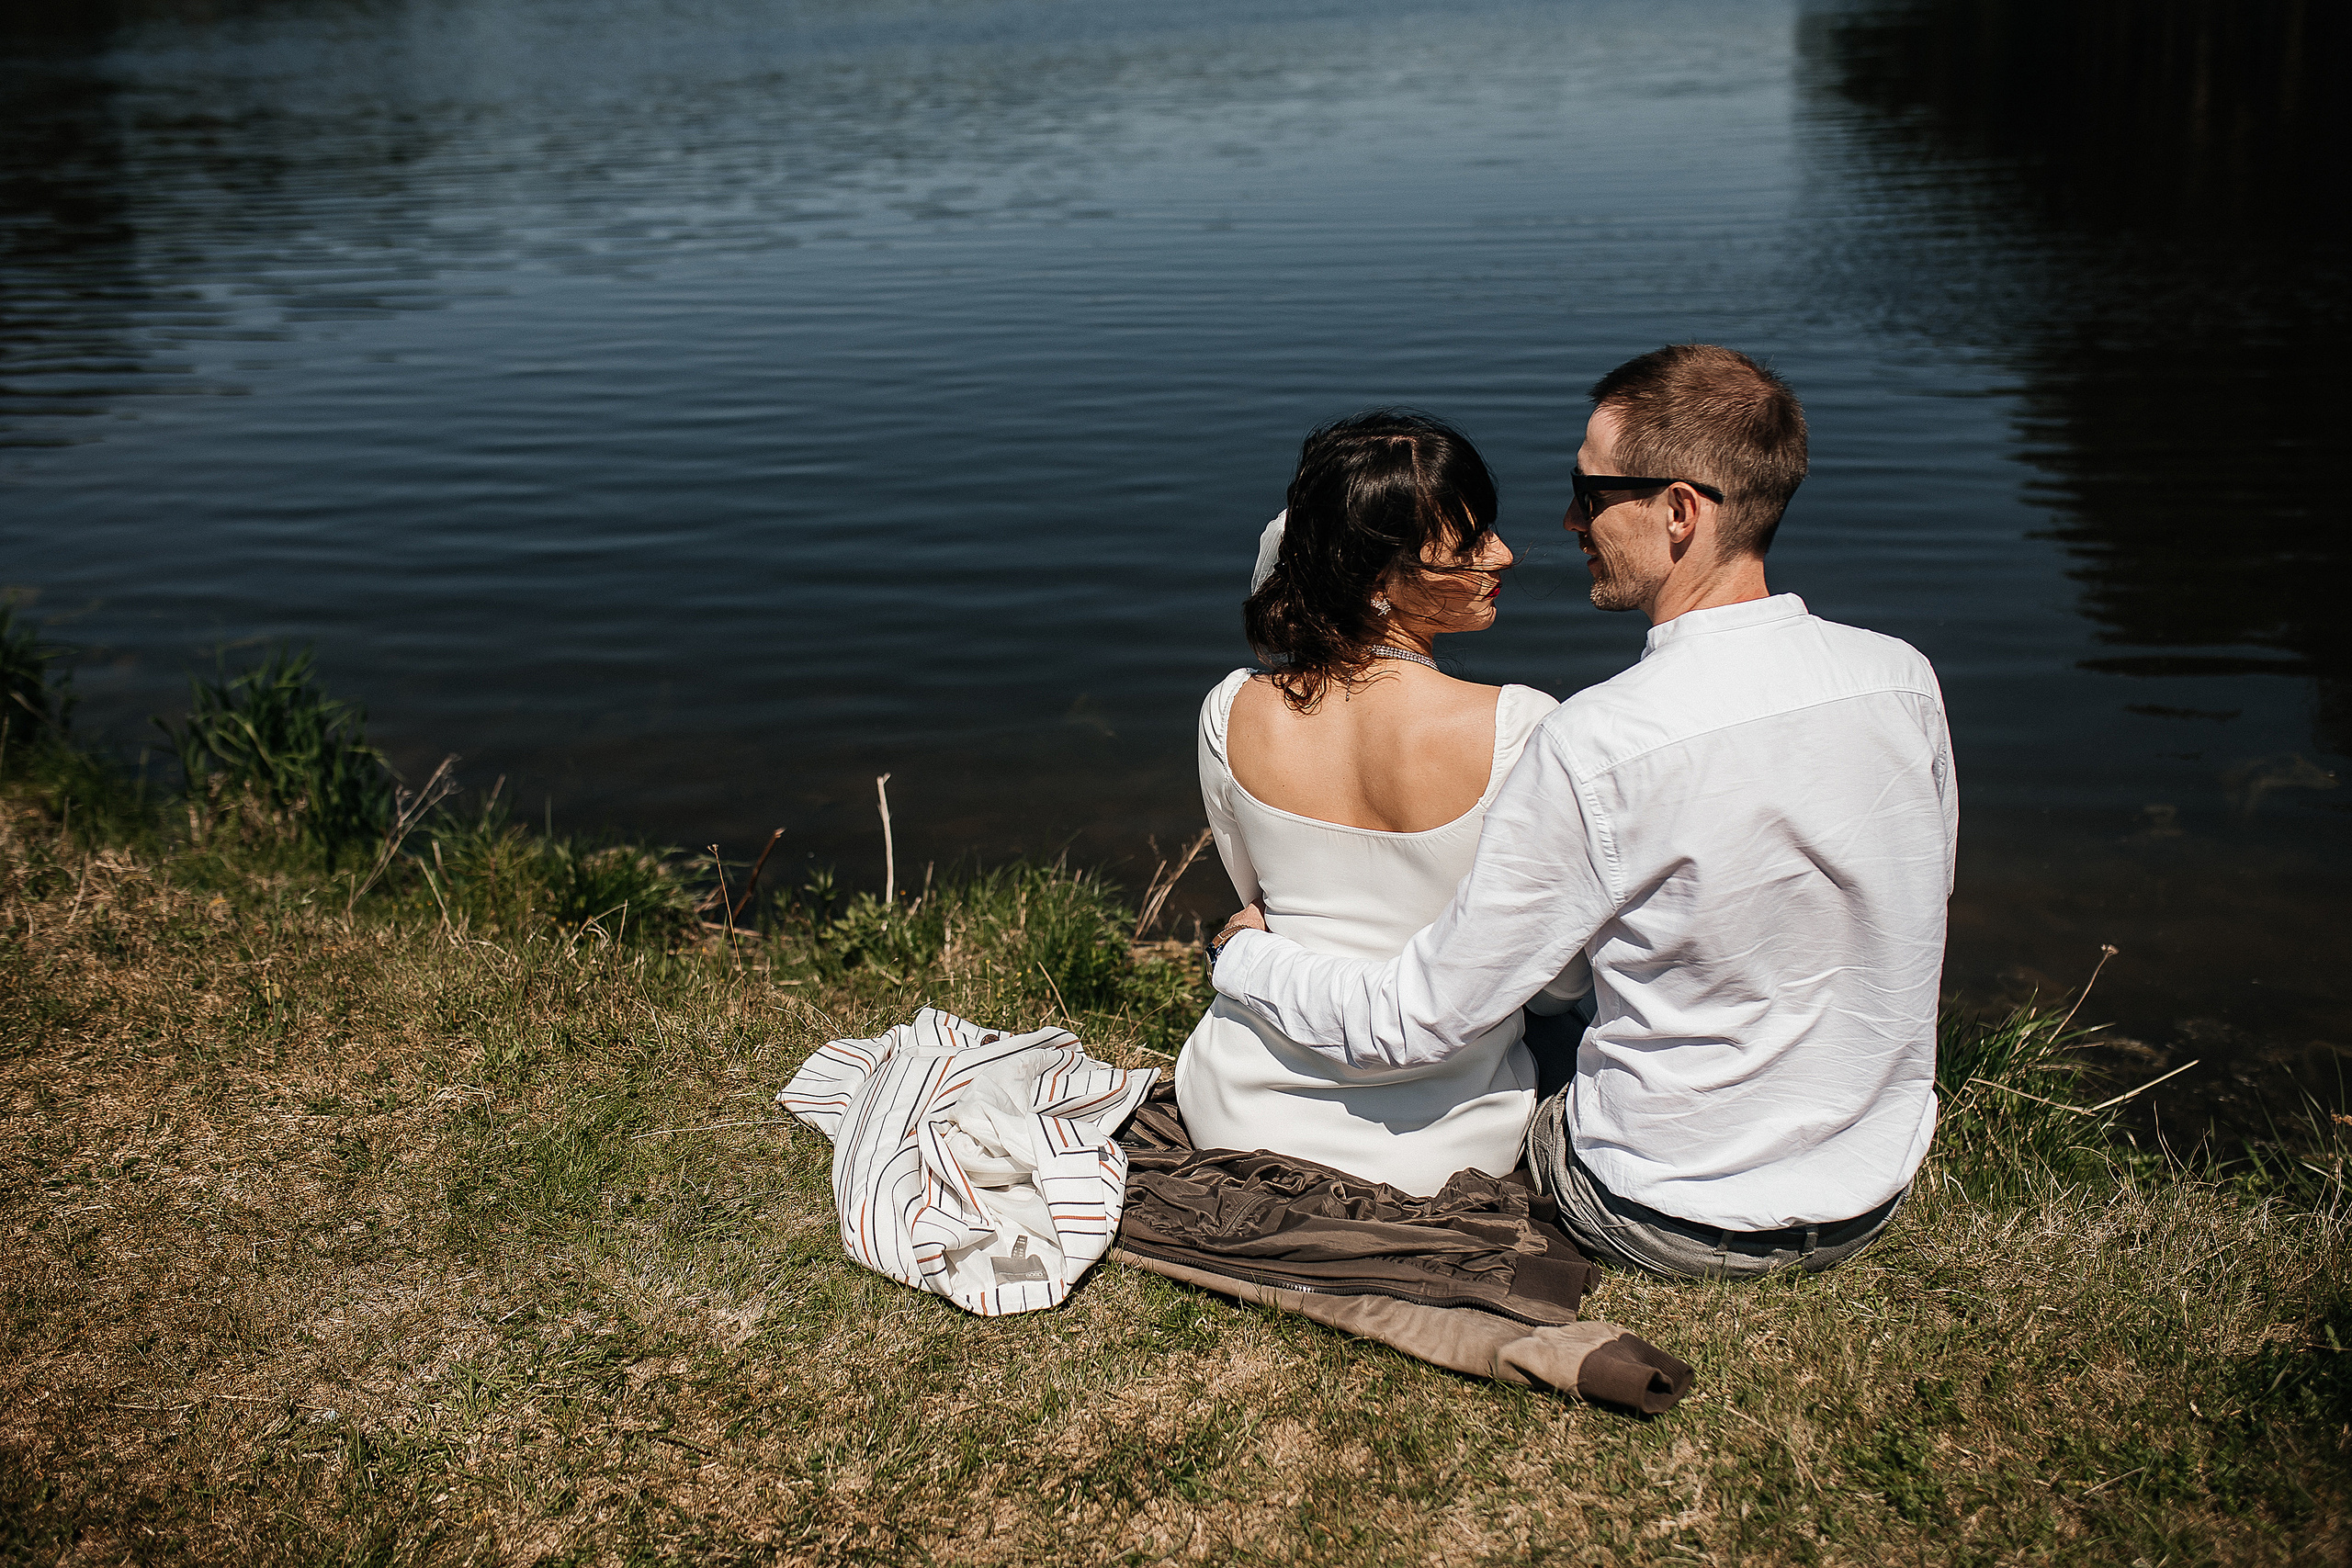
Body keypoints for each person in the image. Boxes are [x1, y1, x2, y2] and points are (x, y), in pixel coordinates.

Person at [1208, 345, 1958, 1279]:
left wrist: (1241, 955)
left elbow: (1414, 1022)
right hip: (1868, 1188)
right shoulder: (1903, 681)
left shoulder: (1599, 738)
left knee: (1549, 992)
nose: (1566, 522)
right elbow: (1911, 919)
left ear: (1679, 512)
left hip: (1663, 1214)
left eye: (1589, 492)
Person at [1174, 410, 1576, 1197]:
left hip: (1235, 1109)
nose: (1502, 553)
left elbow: (1254, 904)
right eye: (1467, 546)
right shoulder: (1523, 727)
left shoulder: (1230, 710)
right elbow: (1552, 979)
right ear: (1383, 582)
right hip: (1441, 1144)